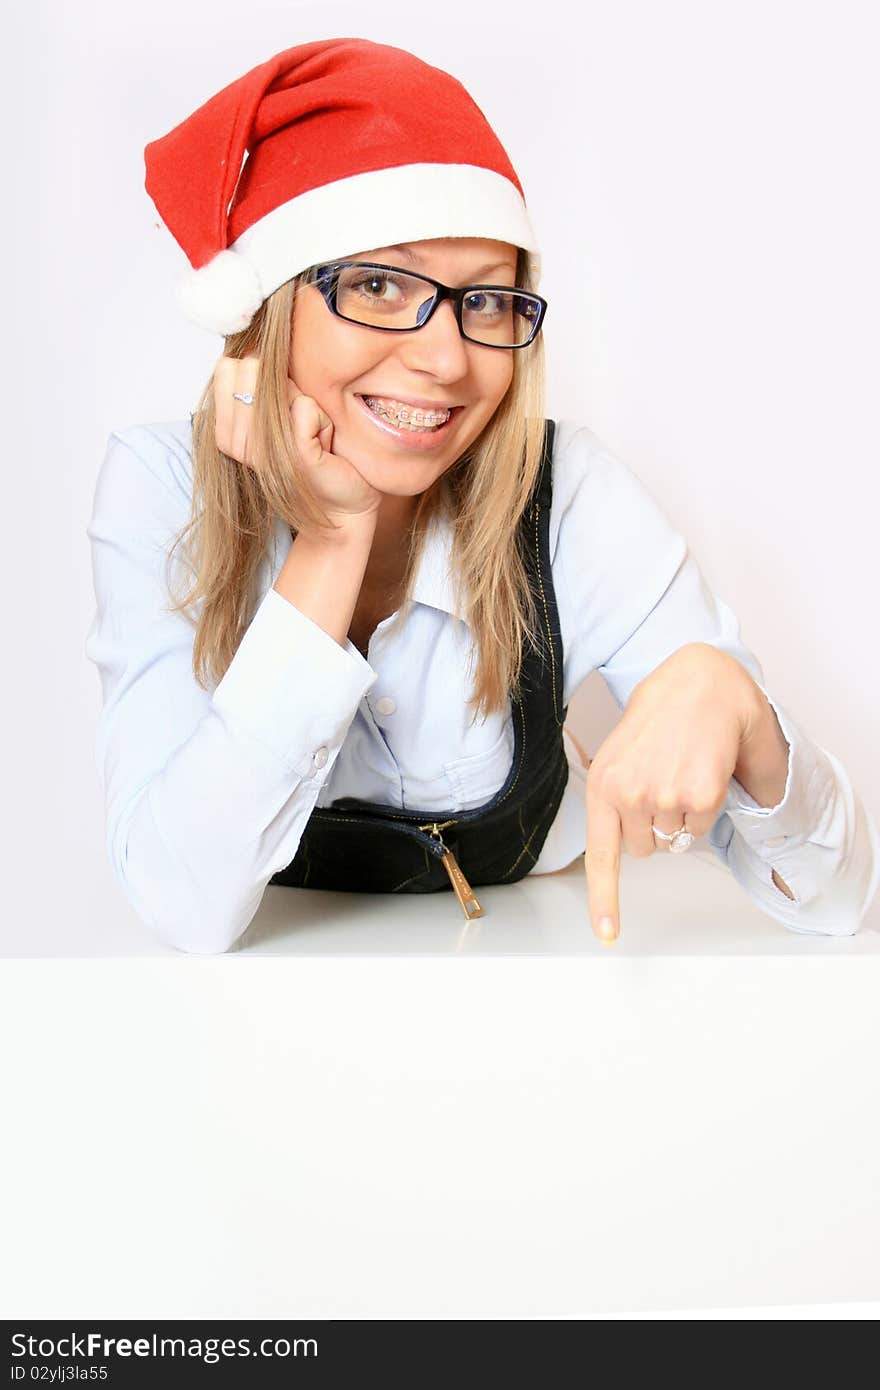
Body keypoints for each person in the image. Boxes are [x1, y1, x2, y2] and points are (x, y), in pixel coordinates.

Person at [85, 37, 878, 955]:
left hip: (547, 983)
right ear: (266, 306)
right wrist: (333, 536)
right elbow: (181, 900)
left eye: (488, 301)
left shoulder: (566, 493)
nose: (449, 358)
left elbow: (836, 899)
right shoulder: (159, 488)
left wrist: (746, 720)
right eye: (379, 283)